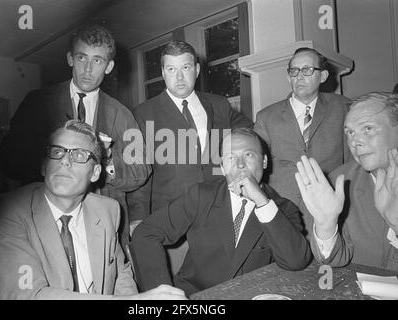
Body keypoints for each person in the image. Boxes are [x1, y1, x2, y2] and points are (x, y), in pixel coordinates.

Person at [0, 120, 186, 299]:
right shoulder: (7, 212)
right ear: (44, 166)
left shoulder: (107, 210)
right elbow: (27, 295)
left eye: (79, 155)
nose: (64, 160)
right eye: (57, 152)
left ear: (96, 173)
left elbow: (120, 274)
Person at [0, 23, 150, 252]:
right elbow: (7, 160)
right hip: (44, 221)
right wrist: (51, 157)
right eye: (81, 58)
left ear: (108, 67)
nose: (88, 69)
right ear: (70, 59)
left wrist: (106, 162)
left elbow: (141, 173)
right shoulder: (37, 103)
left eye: (97, 60)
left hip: (104, 224)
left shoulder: (122, 115)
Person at [130, 128, 311, 295]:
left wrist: (262, 202)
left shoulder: (283, 209)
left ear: (264, 161)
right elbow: (146, 233)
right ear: (223, 167)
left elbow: (296, 261)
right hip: (195, 297)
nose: (240, 165)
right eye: (231, 158)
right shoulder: (201, 196)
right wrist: (160, 293)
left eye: (248, 155)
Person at [129, 40, 253, 273]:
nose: (179, 77)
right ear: (162, 73)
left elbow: (254, 134)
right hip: (170, 218)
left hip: (216, 213)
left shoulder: (219, 105)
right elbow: (139, 171)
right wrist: (138, 217)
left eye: (185, 68)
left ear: (196, 69)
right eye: (171, 69)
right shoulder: (144, 113)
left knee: (218, 283)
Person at [254, 47, 351, 236]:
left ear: (323, 76)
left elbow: (352, 161)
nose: (299, 76)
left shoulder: (344, 107)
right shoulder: (266, 116)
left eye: (307, 70)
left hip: (329, 207)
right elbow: (257, 166)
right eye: (294, 71)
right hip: (283, 211)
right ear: (288, 77)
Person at [295, 92, 398, 270]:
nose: (355, 141)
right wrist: (326, 227)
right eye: (350, 132)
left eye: (367, 128)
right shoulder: (338, 183)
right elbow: (336, 261)